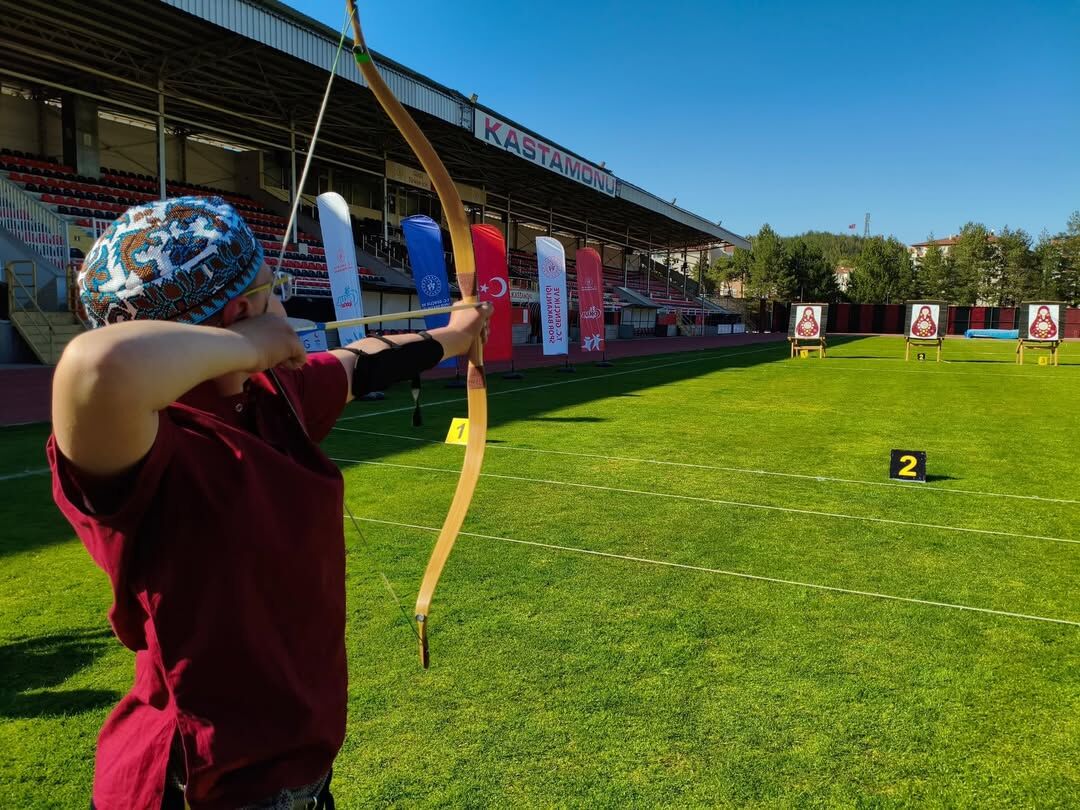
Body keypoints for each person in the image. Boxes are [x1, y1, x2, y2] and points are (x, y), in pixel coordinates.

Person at [47, 196, 490, 809]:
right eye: (270, 288)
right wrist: (254, 345)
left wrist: (454, 335)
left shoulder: (269, 395)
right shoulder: (139, 434)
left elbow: (357, 365)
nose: (281, 302)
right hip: (201, 785)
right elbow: (97, 366)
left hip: (299, 770)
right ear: (242, 310)